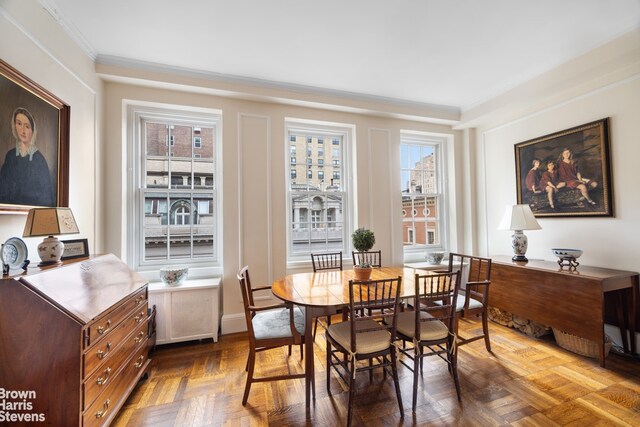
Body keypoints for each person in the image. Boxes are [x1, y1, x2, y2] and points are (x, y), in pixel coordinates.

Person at [0, 107, 55, 206]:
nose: (22, 130)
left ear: (32, 130)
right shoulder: (10, 156)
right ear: (14, 125)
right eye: (19, 124)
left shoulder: (39, 160)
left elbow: (46, 199)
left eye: (27, 126)